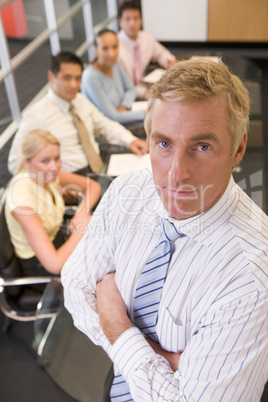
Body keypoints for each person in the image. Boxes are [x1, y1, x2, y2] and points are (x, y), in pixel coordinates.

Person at [61, 59, 268, 401]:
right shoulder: (129, 191)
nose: (176, 175)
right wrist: (160, 360)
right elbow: (75, 285)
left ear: (238, 149)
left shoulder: (252, 275)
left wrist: (116, 322)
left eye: (202, 147)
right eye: (164, 144)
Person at [8, 51, 148, 177]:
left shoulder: (80, 100)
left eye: (78, 78)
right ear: (51, 77)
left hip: (98, 167)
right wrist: (50, 184)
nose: (74, 85)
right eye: (67, 78)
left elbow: (104, 125)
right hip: (68, 177)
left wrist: (130, 140)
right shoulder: (36, 115)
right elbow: (15, 163)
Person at [5, 129, 101, 284]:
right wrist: (82, 229)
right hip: (41, 266)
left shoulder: (46, 175)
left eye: (57, 158)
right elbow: (54, 265)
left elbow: (93, 186)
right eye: (45, 161)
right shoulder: (21, 201)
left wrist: (80, 214)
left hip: (58, 242)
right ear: (27, 162)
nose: (54, 166)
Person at [81, 28, 146, 125]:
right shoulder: (90, 77)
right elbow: (112, 116)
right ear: (96, 50)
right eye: (105, 49)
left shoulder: (114, 64)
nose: (112, 54)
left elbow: (131, 89)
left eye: (115, 47)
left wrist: (124, 105)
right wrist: (146, 113)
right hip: (105, 128)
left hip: (123, 119)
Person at [117, 1, 177, 100]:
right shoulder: (115, 46)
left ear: (141, 20)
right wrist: (145, 93)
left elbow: (161, 53)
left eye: (135, 18)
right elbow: (122, 85)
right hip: (126, 94)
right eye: (127, 19)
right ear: (120, 22)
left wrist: (170, 61)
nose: (132, 23)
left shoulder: (146, 38)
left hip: (146, 89)